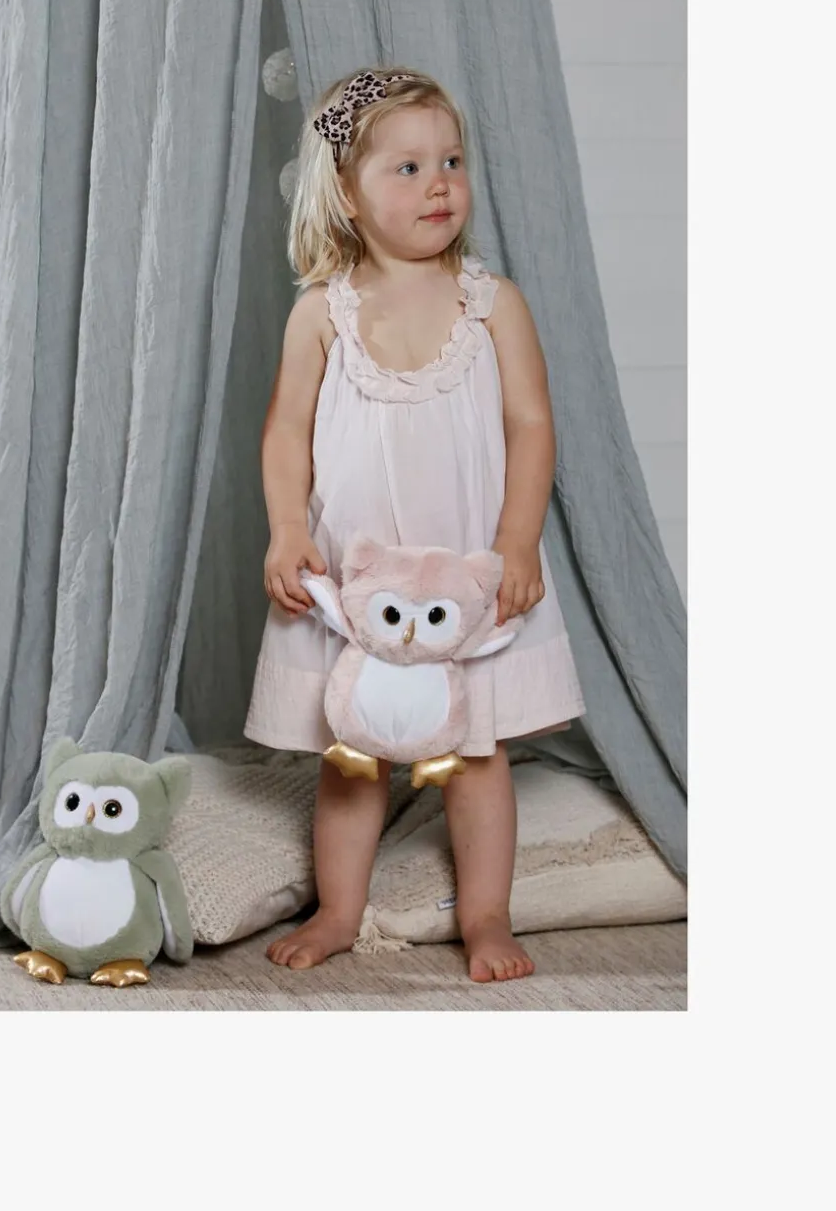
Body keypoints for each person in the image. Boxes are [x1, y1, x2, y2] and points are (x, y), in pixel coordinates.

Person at [245, 68, 585, 981]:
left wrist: (518, 540)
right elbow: (284, 431)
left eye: (452, 161)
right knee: (354, 755)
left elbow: (531, 423)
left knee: (477, 751)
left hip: (466, 572)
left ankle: (486, 915)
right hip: (358, 583)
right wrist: (286, 529)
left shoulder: (491, 303)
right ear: (347, 194)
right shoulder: (323, 313)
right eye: (408, 167)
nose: (439, 183)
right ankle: (339, 911)